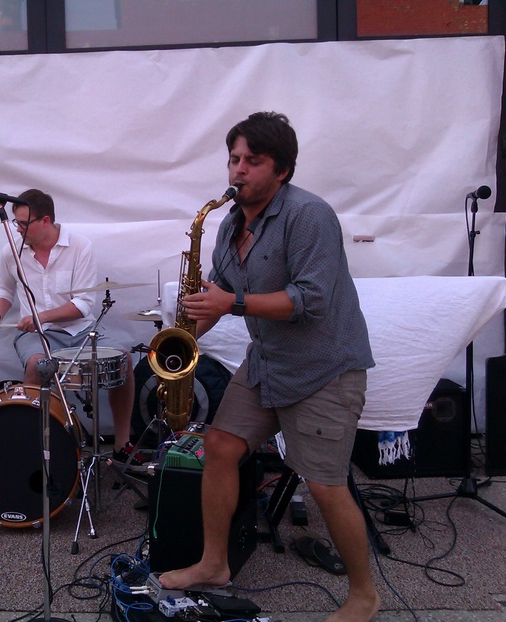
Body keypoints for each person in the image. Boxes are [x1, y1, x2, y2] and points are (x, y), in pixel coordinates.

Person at [159, 112, 380, 622]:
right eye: (233, 159)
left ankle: (364, 594)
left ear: (282, 169)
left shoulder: (310, 215)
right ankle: (214, 564)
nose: (238, 171)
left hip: (325, 368)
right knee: (219, 445)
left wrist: (231, 304)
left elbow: (311, 299)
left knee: (324, 483)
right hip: (268, 363)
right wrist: (182, 336)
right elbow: (214, 298)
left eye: (252, 162)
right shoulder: (228, 225)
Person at [0, 189, 138, 461]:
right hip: (36, 334)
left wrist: (41, 316)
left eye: (22, 223)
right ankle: (37, 448)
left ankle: (122, 443)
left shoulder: (79, 247)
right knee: (36, 365)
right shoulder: (11, 252)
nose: (17, 229)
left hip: (79, 329)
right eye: (16, 222)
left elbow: (83, 304)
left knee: (122, 358)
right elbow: (3, 290)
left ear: (45, 220)